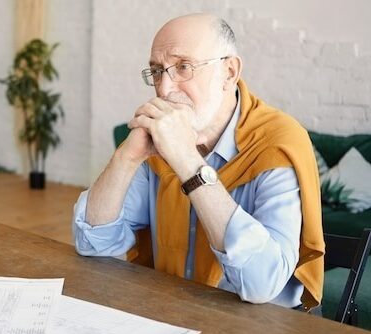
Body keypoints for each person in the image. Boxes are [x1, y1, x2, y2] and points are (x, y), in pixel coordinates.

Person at [72, 13, 325, 311]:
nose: (164, 89)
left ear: (229, 72)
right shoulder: (159, 144)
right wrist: (126, 157)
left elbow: (261, 285)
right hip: (173, 310)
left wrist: (187, 162)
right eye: (157, 70)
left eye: (183, 67)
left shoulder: (278, 142)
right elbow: (92, 242)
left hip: (263, 327)